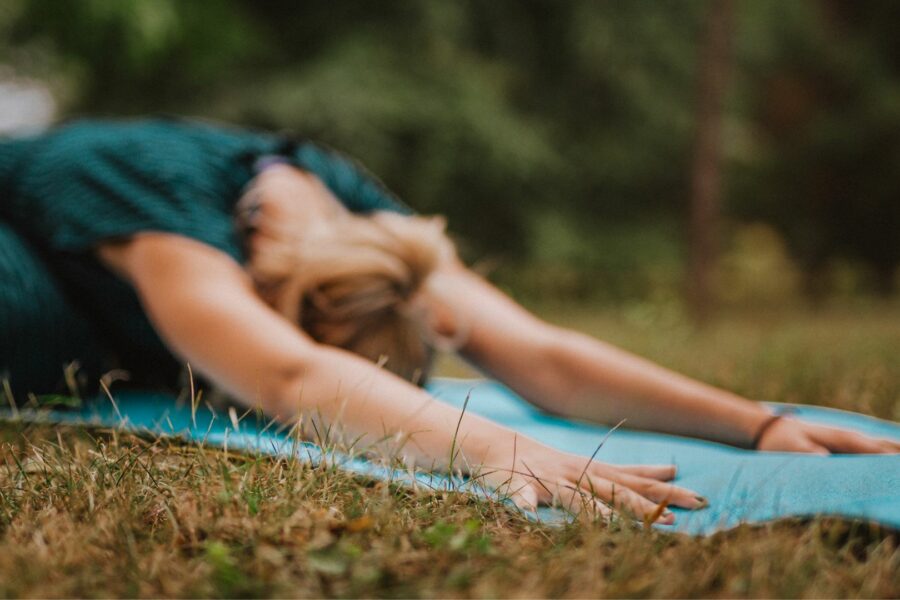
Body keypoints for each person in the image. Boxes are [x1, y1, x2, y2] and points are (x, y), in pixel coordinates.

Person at [0, 118, 897, 525]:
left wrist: (759, 423)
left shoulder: (369, 237)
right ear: (271, 289)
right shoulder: (165, 209)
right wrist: (493, 447)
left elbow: (540, 354)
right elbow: (291, 378)